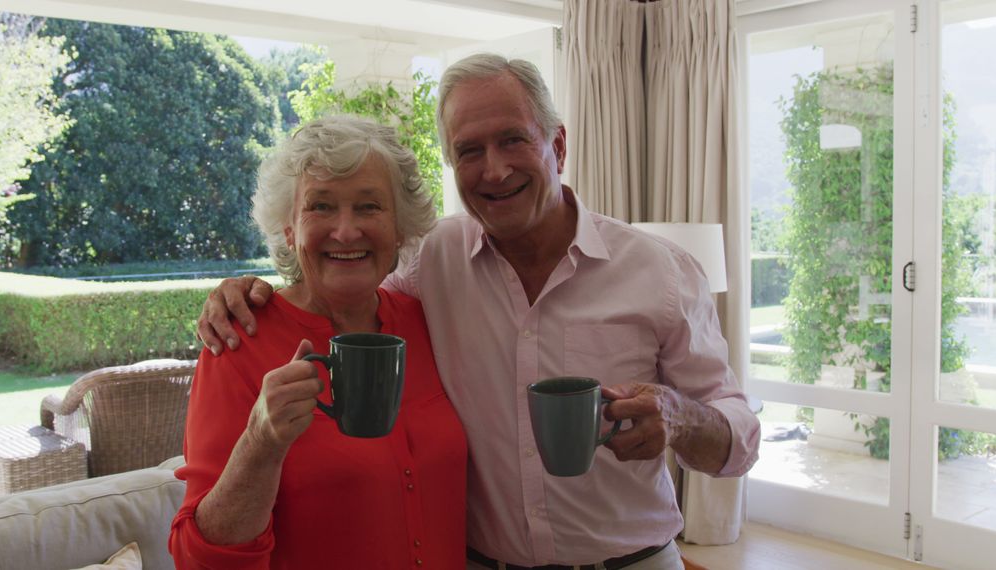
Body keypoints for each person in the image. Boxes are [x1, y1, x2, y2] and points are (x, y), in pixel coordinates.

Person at [197, 54, 760, 569]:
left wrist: (681, 417)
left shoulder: (660, 272)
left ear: (557, 146)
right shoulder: (432, 264)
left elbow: (741, 438)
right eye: (469, 150)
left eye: (513, 140)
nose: (493, 170)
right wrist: (248, 291)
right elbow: (342, 274)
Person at [170, 115, 468, 569]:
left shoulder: (426, 321)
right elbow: (198, 558)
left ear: (400, 227)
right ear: (289, 229)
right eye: (321, 207)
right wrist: (261, 443)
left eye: (369, 207)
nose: (346, 231)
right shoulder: (239, 344)